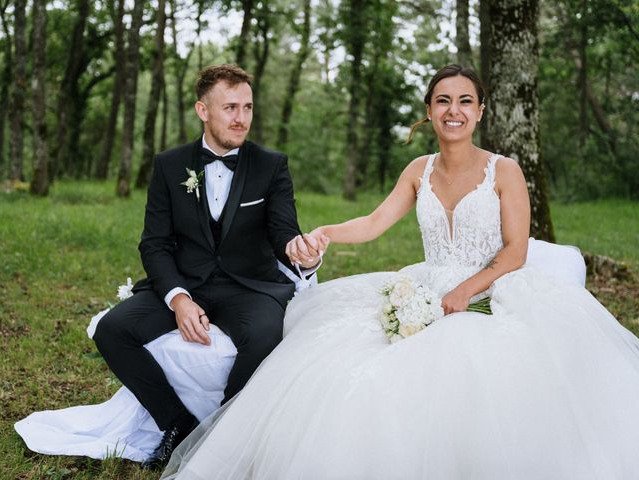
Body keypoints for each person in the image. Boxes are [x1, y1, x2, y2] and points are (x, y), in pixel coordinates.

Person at [160, 64, 639, 480]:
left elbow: (514, 251)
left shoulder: (505, 171)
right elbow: (373, 223)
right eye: (443, 101)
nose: (454, 111)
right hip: (430, 283)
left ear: (480, 110)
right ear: (429, 111)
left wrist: (466, 292)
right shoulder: (418, 169)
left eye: (465, 102)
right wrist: (325, 231)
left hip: (497, 287)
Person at [92, 64, 320, 470]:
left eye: (247, 107)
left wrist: (304, 253)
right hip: (187, 283)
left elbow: (285, 233)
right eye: (230, 107)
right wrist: (178, 299)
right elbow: (155, 244)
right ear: (203, 110)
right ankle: (176, 426)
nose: (241, 118)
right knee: (112, 330)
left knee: (267, 335)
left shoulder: (271, 165)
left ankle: (220, 435)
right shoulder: (168, 165)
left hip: (248, 287)